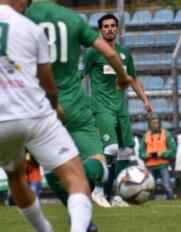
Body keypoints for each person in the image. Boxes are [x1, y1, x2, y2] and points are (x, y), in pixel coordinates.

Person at [25, 0, 131, 230]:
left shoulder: (23, 17)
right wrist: (123, 76)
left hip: (40, 108)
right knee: (101, 165)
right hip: (75, 108)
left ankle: (77, 216)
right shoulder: (72, 19)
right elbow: (108, 52)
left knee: (51, 169)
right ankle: (81, 191)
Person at [1, 1, 94, 231]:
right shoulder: (30, 28)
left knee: (15, 177)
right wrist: (54, 107)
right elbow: (49, 85)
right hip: (33, 114)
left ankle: (45, 230)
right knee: (76, 178)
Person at [77, 13, 153, 207]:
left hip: (121, 108)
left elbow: (133, 79)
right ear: (100, 30)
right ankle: (99, 191)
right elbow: (79, 74)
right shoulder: (94, 52)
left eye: (112, 26)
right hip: (102, 108)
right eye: (105, 26)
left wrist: (145, 100)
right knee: (110, 148)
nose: (109, 29)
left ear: (117, 29)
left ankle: (119, 196)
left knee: (126, 150)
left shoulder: (125, 53)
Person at [139, 114, 176, 200]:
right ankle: (151, 202)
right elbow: (141, 152)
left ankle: (171, 200)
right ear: (150, 124)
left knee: (167, 184)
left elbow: (173, 150)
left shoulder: (166, 134)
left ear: (160, 123)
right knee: (150, 186)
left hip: (163, 164)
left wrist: (162, 154)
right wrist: (147, 155)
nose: (155, 124)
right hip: (150, 165)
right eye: (153, 123)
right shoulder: (145, 136)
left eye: (157, 122)